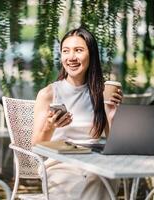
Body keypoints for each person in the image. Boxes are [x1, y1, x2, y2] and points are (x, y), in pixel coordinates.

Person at [32, 27, 123, 200]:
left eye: (78, 50)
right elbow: (36, 145)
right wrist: (50, 126)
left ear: (92, 55)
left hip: (98, 162)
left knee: (101, 179)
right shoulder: (48, 94)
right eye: (66, 51)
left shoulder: (103, 93)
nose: (71, 57)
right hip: (60, 163)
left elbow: (116, 144)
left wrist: (112, 114)